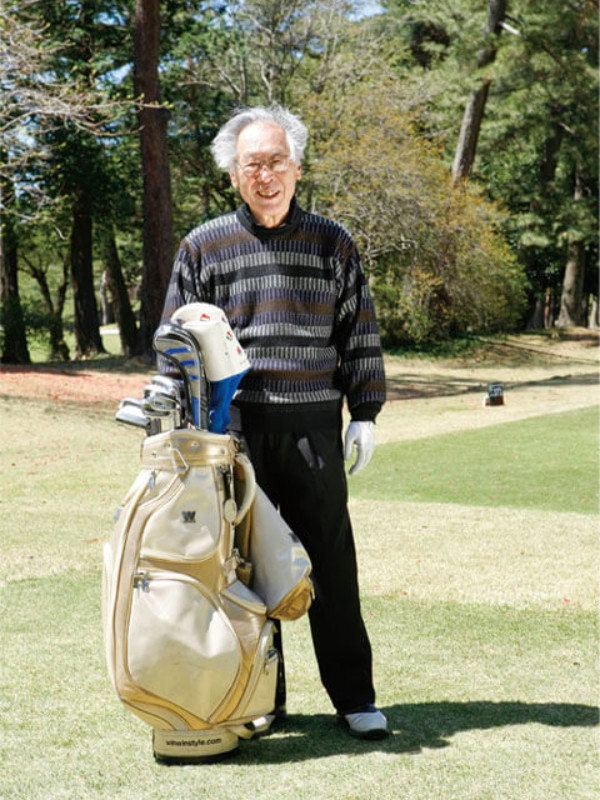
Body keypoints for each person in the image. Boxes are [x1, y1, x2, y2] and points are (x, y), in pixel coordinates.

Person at [160, 104, 388, 740]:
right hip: (233, 433)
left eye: (277, 161)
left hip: (314, 427)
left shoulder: (333, 242)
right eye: (253, 164)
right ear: (234, 175)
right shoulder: (203, 245)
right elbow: (177, 342)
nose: (266, 175)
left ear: (297, 168)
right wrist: (178, 423)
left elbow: (358, 331)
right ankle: (262, 698)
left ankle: (355, 697)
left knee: (330, 565)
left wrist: (365, 413)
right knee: (244, 571)